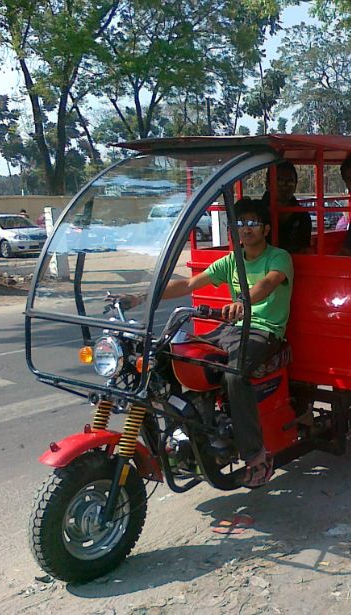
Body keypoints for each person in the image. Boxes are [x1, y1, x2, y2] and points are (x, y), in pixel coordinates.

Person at [115, 198, 293, 488]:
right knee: (165, 357)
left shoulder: (278, 257)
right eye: (239, 223)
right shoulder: (233, 260)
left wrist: (243, 302)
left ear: (266, 228)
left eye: (252, 223)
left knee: (234, 377)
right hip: (232, 329)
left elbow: (268, 283)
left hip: (264, 331)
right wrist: (141, 297)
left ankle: (257, 457)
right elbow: (188, 284)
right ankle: (187, 430)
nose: (245, 229)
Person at [261, 161, 311, 254]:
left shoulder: (302, 216)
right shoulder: (256, 212)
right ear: (268, 184)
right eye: (279, 181)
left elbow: (304, 250)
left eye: (290, 182)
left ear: (296, 185)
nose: (284, 186)